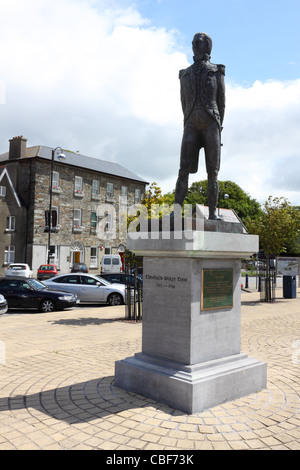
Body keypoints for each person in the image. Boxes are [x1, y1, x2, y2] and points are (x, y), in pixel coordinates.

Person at [174, 32, 225, 220]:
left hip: (211, 122)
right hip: (191, 123)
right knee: (183, 168)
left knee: (213, 170)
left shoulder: (216, 71)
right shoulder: (184, 73)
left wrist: (218, 126)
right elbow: (183, 102)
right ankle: (176, 212)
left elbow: (222, 102)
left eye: (198, 42)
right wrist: (188, 120)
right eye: (193, 42)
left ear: (207, 46)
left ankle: (212, 214)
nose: (194, 44)